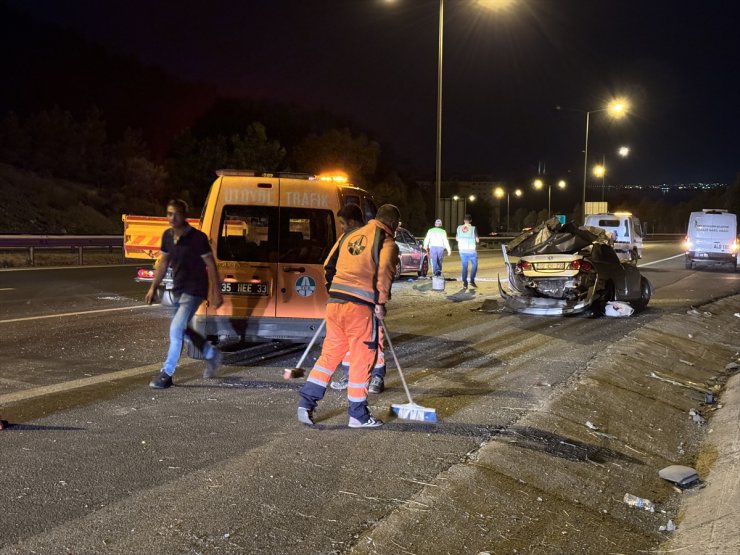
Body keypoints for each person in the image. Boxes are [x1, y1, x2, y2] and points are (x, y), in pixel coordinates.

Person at [297, 204, 400, 428]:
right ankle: (358, 416)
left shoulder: (350, 235)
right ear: (394, 224)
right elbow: (384, 274)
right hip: (361, 310)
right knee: (362, 360)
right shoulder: (386, 241)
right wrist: (380, 303)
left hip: (335, 305)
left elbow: (328, 265)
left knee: (329, 356)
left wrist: (336, 292)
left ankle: (306, 403)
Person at [146, 199, 224, 389]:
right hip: (178, 290)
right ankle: (212, 355)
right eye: (169, 213)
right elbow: (163, 263)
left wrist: (216, 292)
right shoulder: (167, 236)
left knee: (175, 330)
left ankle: (167, 373)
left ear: (185, 215)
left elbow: (211, 265)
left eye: (176, 214)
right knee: (183, 330)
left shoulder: (198, 238)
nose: (172, 218)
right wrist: (153, 287)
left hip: (195, 290)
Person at [330, 204, 388, 395]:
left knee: (374, 340)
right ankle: (353, 375)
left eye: (342, 223)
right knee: (354, 340)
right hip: (353, 301)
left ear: (352, 222)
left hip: (368, 301)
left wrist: (379, 300)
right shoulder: (346, 238)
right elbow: (329, 266)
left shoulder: (371, 237)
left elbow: (383, 270)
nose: (341, 228)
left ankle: (376, 377)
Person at [455, 213, 480, 288]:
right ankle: (472, 280)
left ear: (464, 220)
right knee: (474, 265)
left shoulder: (459, 228)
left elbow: (456, 238)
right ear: (471, 220)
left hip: (462, 250)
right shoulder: (473, 228)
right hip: (471, 250)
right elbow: (477, 240)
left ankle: (465, 283)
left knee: (464, 266)